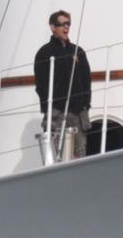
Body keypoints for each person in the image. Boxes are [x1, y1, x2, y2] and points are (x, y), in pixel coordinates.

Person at [33, 9, 93, 159]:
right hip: (57, 113)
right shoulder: (45, 53)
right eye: (62, 24)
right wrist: (52, 106)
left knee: (80, 155)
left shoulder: (78, 52)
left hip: (78, 113)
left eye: (68, 24)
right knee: (59, 156)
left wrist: (85, 105)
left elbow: (86, 80)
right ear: (52, 27)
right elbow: (41, 85)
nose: (66, 27)